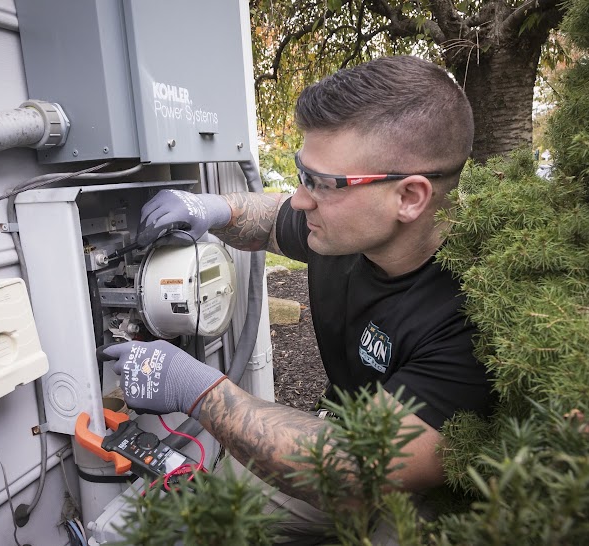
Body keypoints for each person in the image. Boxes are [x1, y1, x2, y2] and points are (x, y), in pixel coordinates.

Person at [103, 55, 495, 543]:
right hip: (350, 430)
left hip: (420, 486)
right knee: (224, 506)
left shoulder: (473, 315)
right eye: (302, 174)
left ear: (410, 198)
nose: (301, 199)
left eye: (323, 184)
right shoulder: (343, 232)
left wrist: (198, 391)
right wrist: (215, 208)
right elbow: (272, 217)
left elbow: (354, 469)